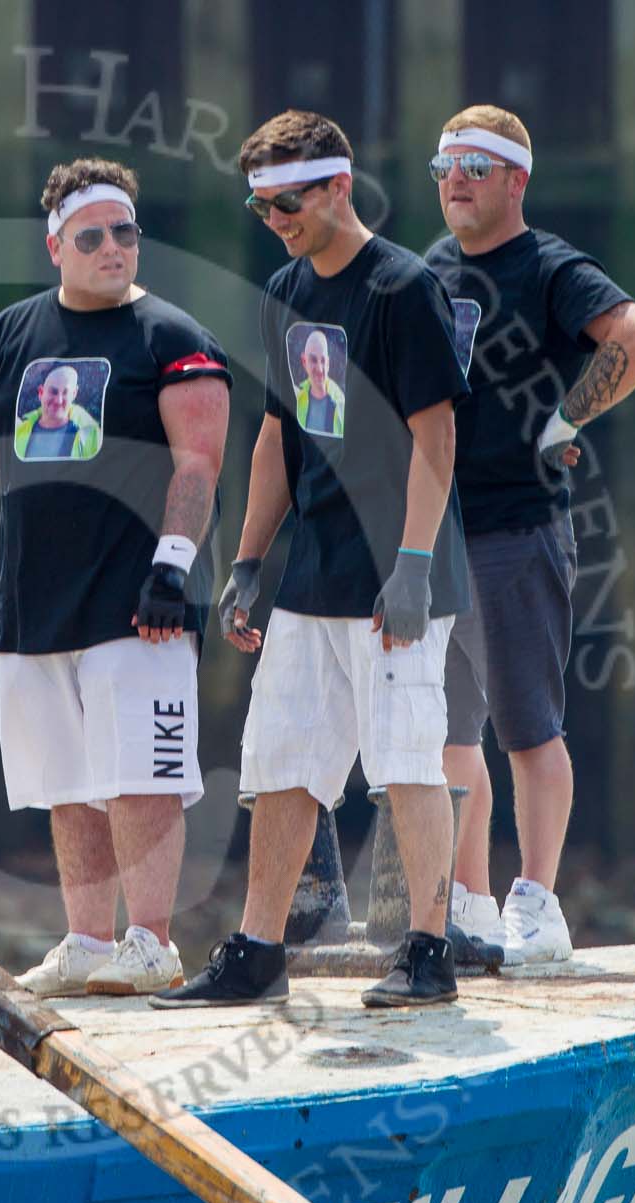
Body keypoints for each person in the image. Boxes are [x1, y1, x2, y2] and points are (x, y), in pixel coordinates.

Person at [154, 110, 473, 1010]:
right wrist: (250, 561)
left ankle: (427, 949)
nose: (277, 219)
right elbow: (276, 436)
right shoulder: (285, 289)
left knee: (407, 758)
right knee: (281, 759)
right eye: (261, 207)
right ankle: (258, 950)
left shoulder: (401, 289)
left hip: (397, 572)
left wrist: (412, 563)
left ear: (339, 185)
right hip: (314, 571)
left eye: (289, 201)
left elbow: (437, 437)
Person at [0, 157, 230, 997]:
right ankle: (89, 939)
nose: (111, 248)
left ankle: (152, 940)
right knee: (65, 782)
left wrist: (174, 566)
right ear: (55, 245)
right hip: (33, 595)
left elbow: (197, 462)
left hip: (138, 600)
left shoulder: (173, 337)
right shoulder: (7, 337)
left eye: (125, 233)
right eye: (91, 236)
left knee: (142, 774)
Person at [424, 106, 635, 964]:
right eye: (445, 166)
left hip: (518, 524)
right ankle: (469, 902)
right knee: (448, 732)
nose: (456, 181)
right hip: (438, 534)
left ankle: (538, 903)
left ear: (516, 180)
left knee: (528, 726)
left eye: (475, 168)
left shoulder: (552, 266)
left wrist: (566, 419)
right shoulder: (429, 269)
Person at [13, 362, 103, 461]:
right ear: (41, 392)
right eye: (53, 392)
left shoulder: (91, 436)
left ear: (74, 394)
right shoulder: (18, 430)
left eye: (65, 393)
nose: (58, 400)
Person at [292, 328, 346, 436]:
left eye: (323, 360)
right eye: (313, 360)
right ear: (304, 361)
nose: (320, 369)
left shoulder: (341, 404)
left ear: (328, 363)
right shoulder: (296, 397)